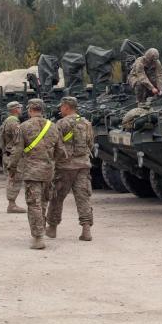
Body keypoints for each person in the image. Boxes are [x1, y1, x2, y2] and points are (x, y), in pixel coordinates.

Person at [8, 98, 65, 250]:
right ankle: (42, 228)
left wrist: (11, 169)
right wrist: (51, 161)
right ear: (42, 110)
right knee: (44, 202)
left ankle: (38, 237)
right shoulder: (53, 127)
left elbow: (17, 151)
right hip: (48, 171)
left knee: (33, 204)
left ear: (30, 110)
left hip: (31, 171)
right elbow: (60, 150)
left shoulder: (24, 127)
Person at [46, 96, 94, 241]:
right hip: (83, 165)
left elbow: (55, 143)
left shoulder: (62, 123)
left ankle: (52, 227)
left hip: (65, 166)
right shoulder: (86, 123)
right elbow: (90, 143)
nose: (61, 109)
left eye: (62, 107)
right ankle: (86, 230)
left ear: (66, 107)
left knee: (57, 197)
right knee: (83, 197)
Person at [0, 101, 26, 214]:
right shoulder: (14, 123)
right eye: (19, 107)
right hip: (13, 154)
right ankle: (12, 204)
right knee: (14, 179)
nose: (21, 109)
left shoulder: (6, 122)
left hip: (7, 152)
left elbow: (1, 141)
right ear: (16, 110)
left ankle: (12, 203)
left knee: (11, 177)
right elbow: (18, 141)